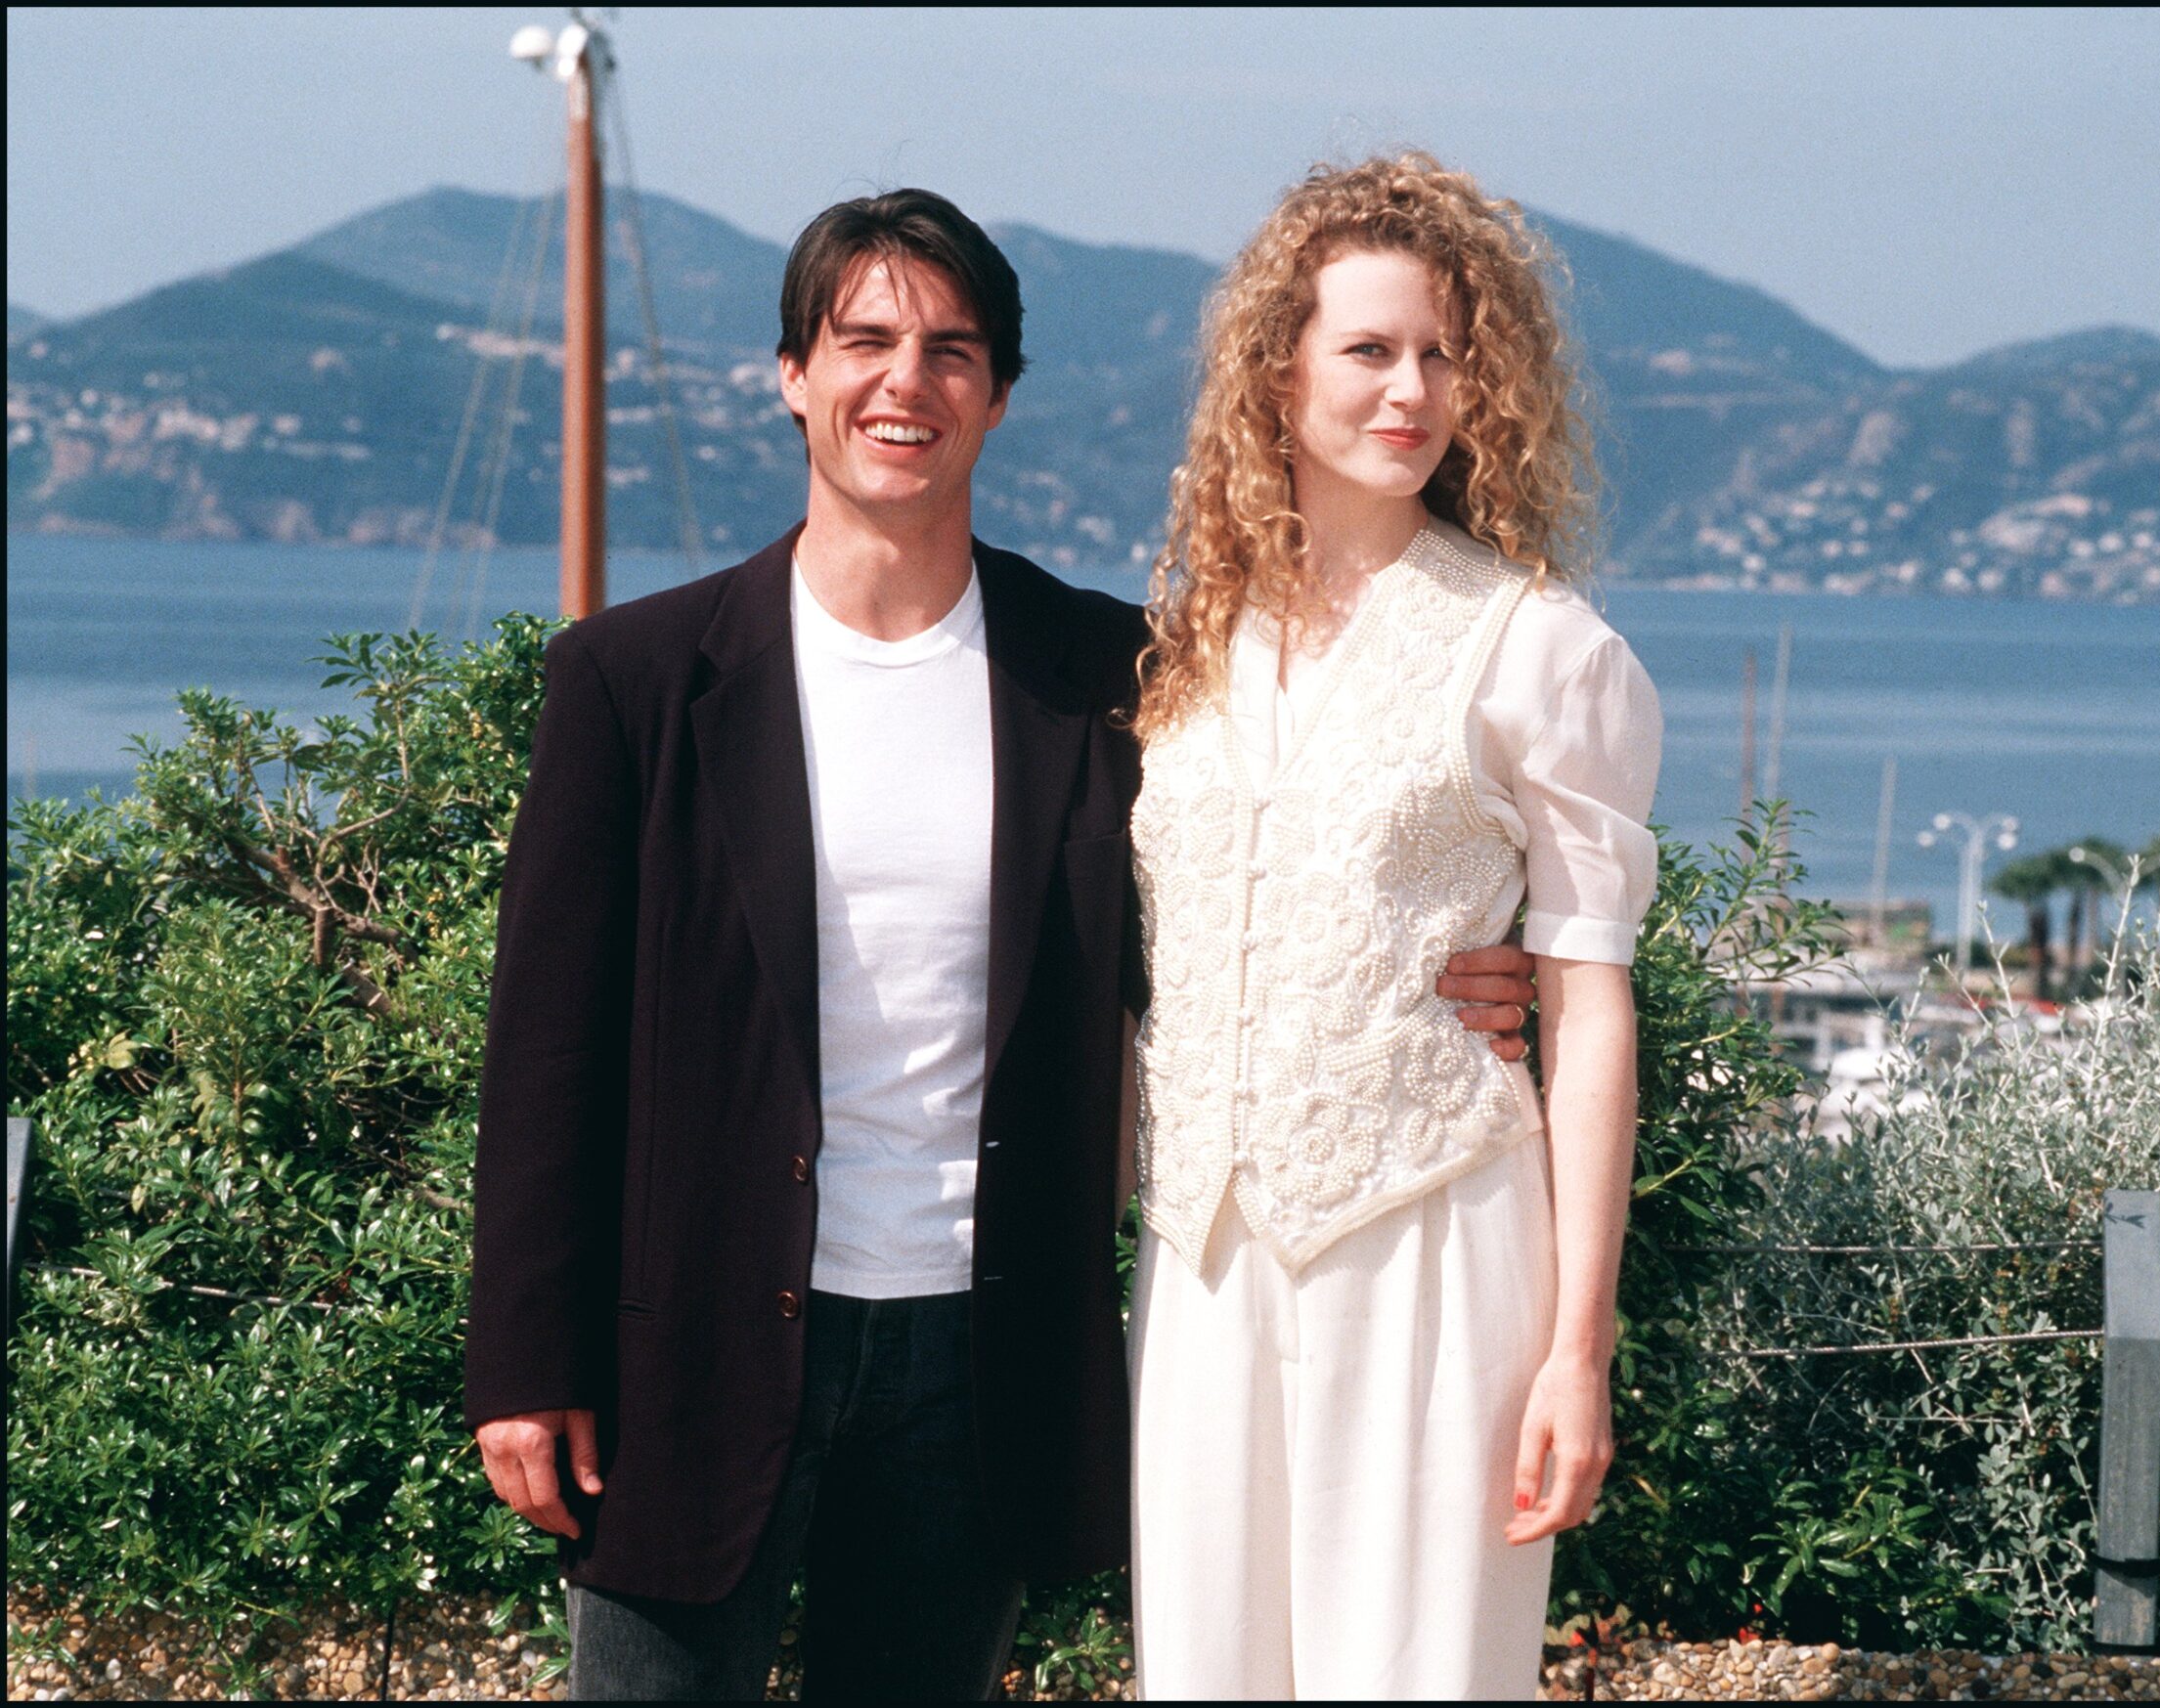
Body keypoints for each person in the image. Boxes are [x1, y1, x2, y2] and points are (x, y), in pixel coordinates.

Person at [462, 187, 1538, 1702]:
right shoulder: (635, 682)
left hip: (978, 1366)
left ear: (1000, 396)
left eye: (954, 350)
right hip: (691, 1349)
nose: (908, 382)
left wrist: (1494, 974)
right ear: (793, 374)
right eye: (867, 340)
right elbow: (550, 1047)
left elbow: (1255, 899)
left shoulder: (1106, 672)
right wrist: (524, 1360)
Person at [1124, 153, 1663, 1700]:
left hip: (1434, 1244)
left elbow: (1592, 1015)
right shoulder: (1186, 650)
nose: (1412, 390)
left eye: (1444, 352)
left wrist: (1577, 1350)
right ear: (1275, 369)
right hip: (1203, 1259)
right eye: (1369, 348)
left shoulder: (1541, 653)